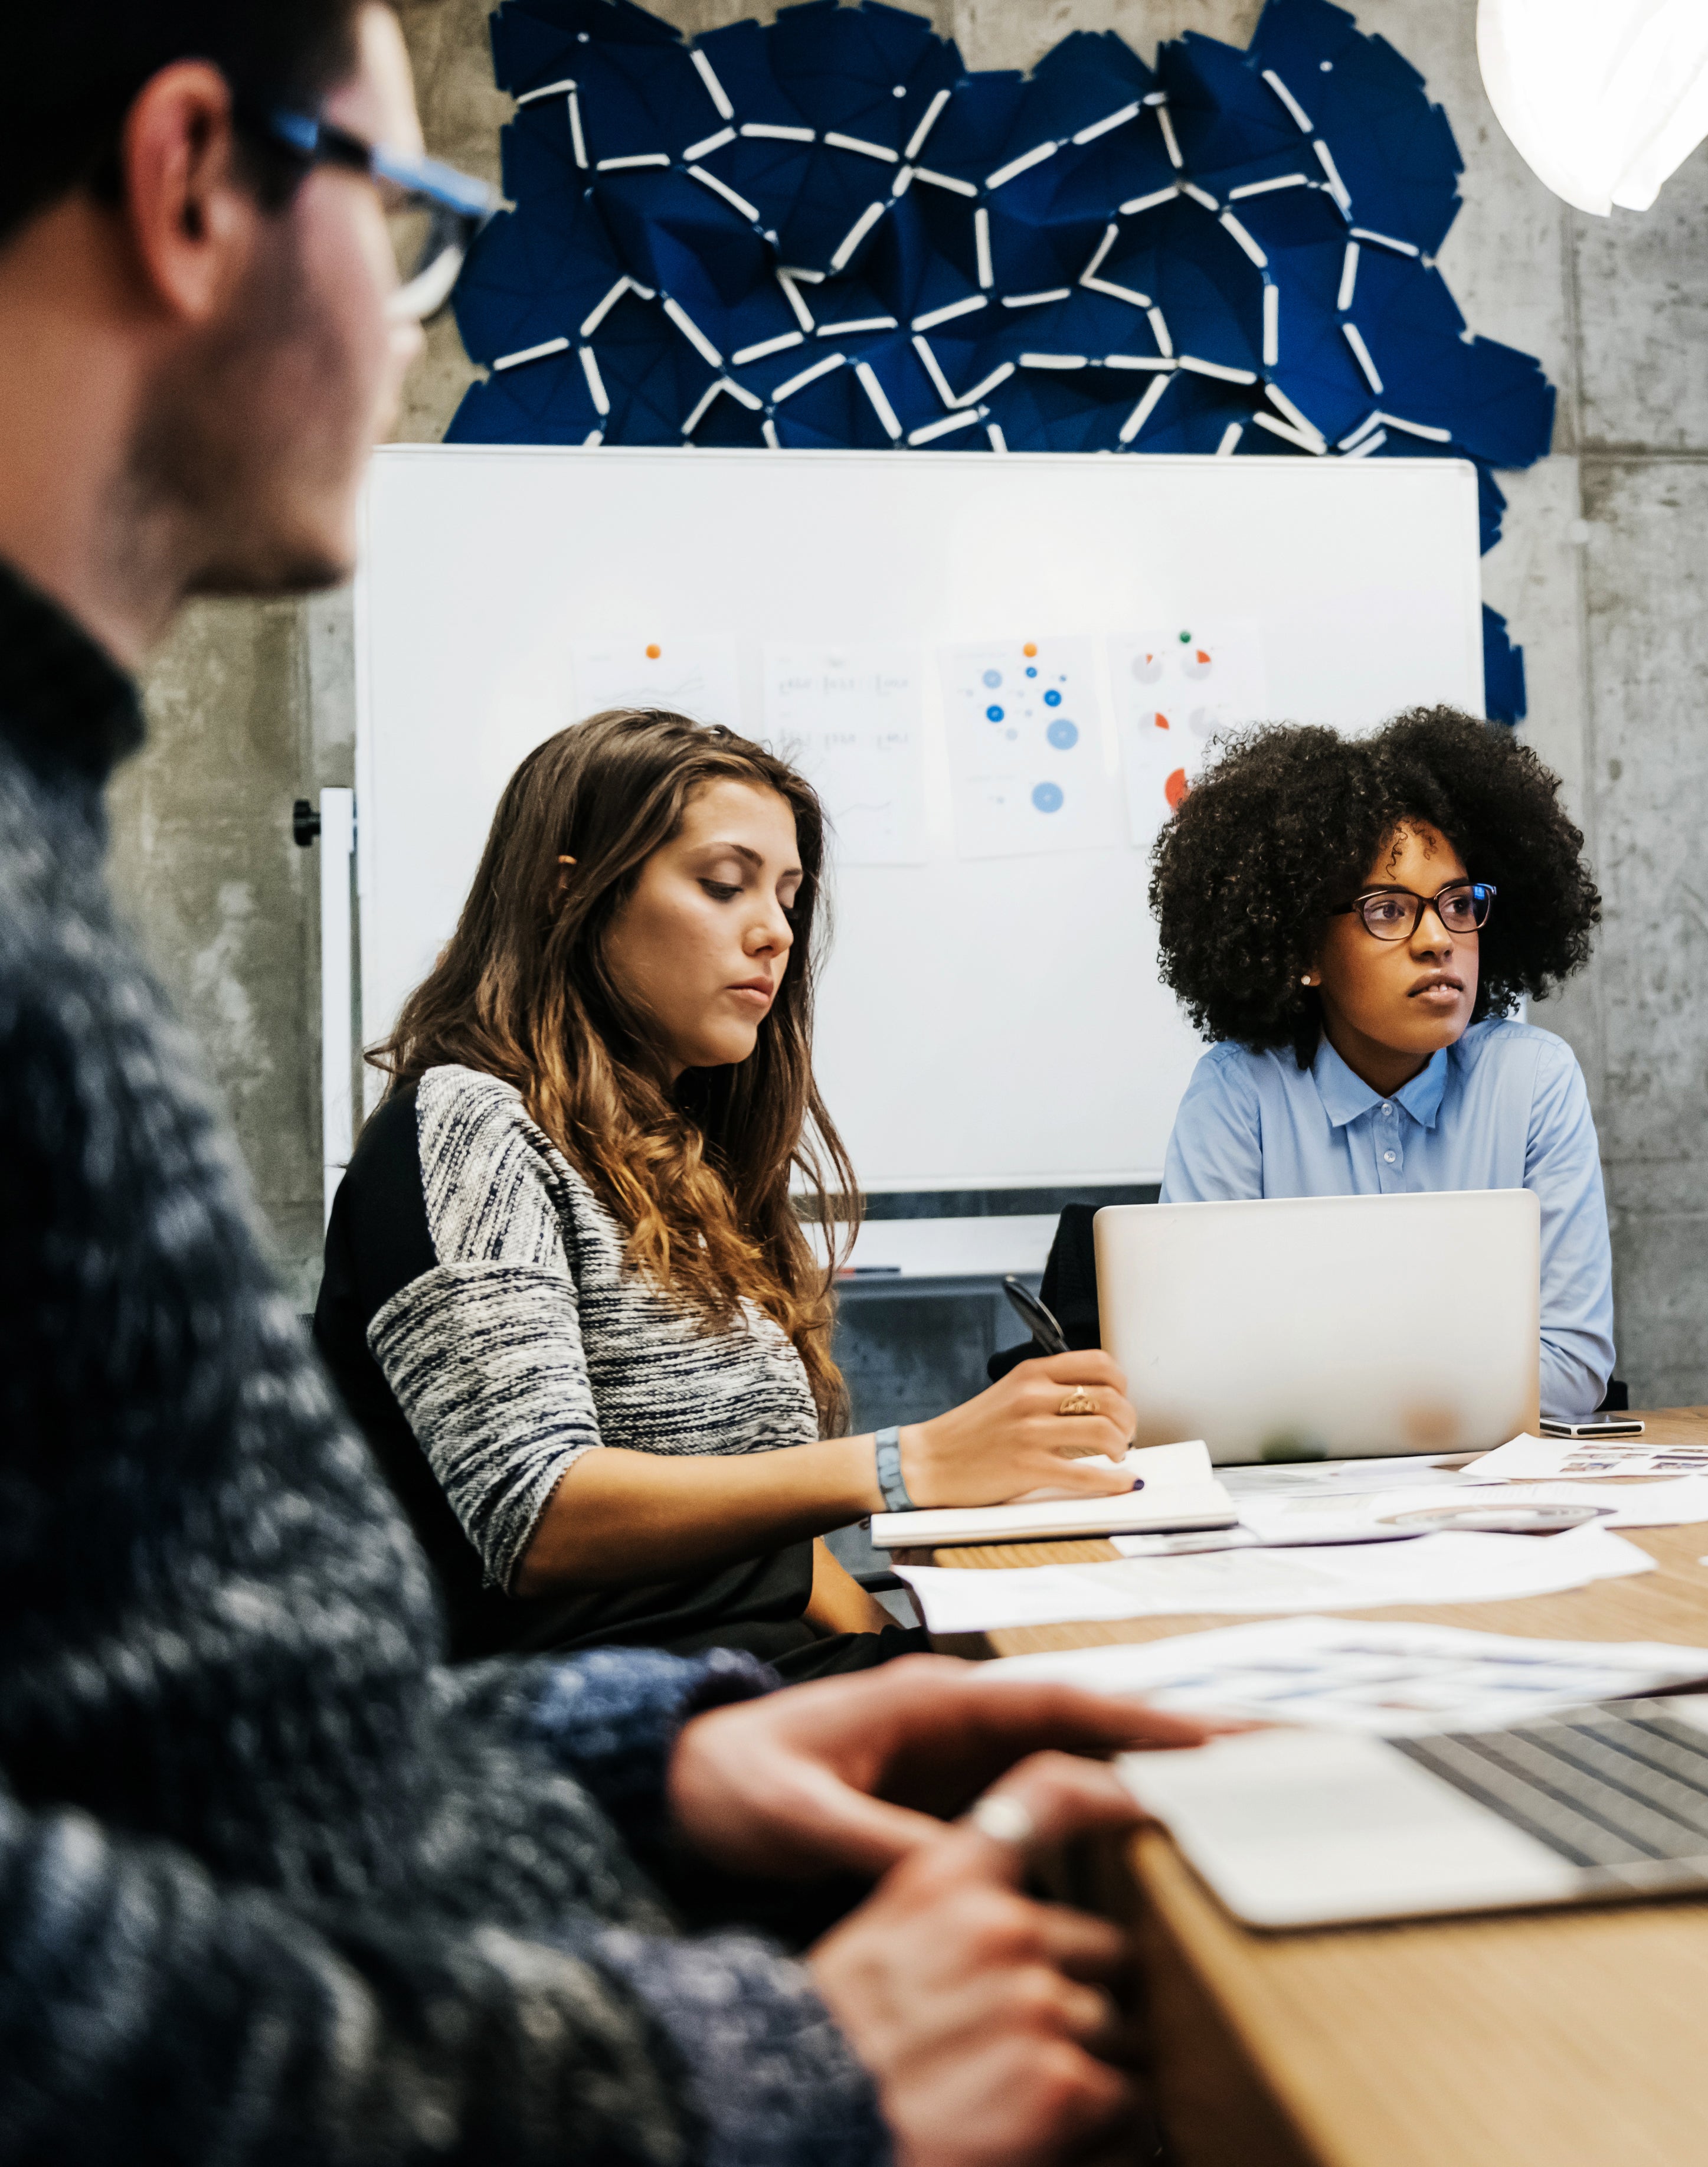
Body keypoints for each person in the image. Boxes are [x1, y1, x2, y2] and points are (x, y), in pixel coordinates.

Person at [0, 6, 1212, 2157]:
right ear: (196, 183)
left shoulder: (45, 857)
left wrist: (634, 1759)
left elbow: (205, 1740)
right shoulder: (436, 1103)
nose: (403, 317)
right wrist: (727, 2071)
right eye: (405, 221)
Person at [315, 708, 1143, 1677]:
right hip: (597, 1725)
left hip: (747, 1678)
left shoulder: (677, 1166)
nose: (775, 932)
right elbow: (536, 1515)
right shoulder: (469, 1126)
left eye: (789, 897)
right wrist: (907, 1464)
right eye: (723, 884)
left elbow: (769, 1562)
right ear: (567, 894)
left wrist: (923, 1656)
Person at [1147, 706, 1617, 1418]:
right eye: (1390, 910)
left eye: (1458, 902)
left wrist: (1321, 1383)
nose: (1438, 938)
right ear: (1305, 950)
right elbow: (1193, 1370)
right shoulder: (1238, 1093)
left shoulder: (1532, 1081)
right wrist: (1447, 1381)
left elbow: (1573, 1368)